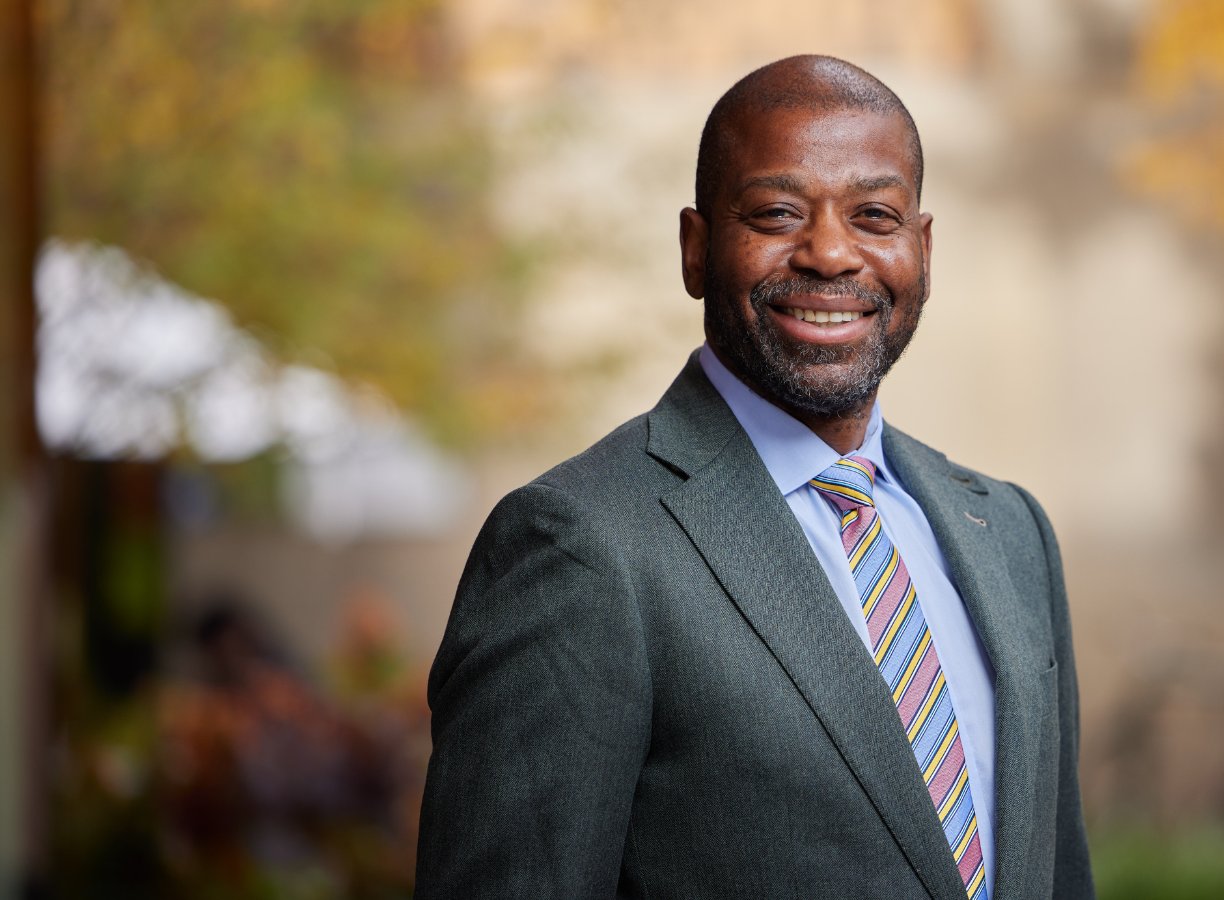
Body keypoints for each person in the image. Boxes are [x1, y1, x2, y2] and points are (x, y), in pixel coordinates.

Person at [415, 55, 1094, 900]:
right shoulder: (581, 545)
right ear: (697, 250)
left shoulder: (1011, 533)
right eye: (777, 213)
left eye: (874, 215)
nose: (830, 253)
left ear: (921, 249)